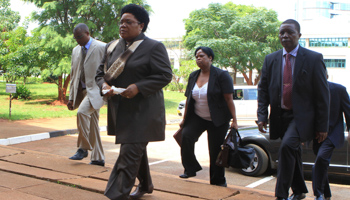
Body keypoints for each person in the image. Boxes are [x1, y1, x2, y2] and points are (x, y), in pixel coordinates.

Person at [95, 4, 172, 200]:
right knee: (135, 150)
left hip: (144, 112)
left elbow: (164, 75)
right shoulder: (111, 47)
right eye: (121, 22)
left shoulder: (154, 47)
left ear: (141, 25)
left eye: (128, 22)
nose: (123, 25)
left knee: (128, 154)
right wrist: (104, 86)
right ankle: (146, 184)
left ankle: (116, 195)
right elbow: (99, 75)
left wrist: (138, 86)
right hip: (121, 111)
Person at [257, 19, 330, 200]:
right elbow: (263, 89)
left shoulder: (313, 59)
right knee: (293, 152)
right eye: (282, 33)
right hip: (280, 116)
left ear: (299, 35)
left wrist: (323, 125)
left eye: (290, 32)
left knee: (287, 148)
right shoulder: (271, 59)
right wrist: (262, 115)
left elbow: (323, 95)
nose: (285, 36)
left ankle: (281, 195)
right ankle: (299, 191)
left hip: (302, 118)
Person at [179, 46, 238, 187]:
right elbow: (188, 99)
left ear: (210, 58)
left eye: (202, 56)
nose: (198, 59)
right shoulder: (193, 75)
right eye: (196, 56)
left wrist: (235, 120)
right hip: (198, 117)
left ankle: (218, 181)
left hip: (218, 119)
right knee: (186, 136)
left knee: (215, 151)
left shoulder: (222, 75)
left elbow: (229, 99)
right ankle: (190, 168)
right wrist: (184, 119)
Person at [67, 23, 106, 166]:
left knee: (82, 113)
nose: (77, 40)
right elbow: (74, 74)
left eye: (80, 36)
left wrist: (106, 88)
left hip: (96, 91)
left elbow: (108, 69)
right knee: (93, 124)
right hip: (82, 91)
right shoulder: (76, 50)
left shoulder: (102, 47)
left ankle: (83, 148)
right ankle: (98, 158)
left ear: (88, 33)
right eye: (75, 37)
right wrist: (71, 97)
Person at [312, 79, 350, 200]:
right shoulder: (311, 91)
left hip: (332, 134)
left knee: (320, 160)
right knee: (321, 165)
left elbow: (348, 111)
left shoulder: (339, 90)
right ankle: (327, 195)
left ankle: (318, 194)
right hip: (316, 136)